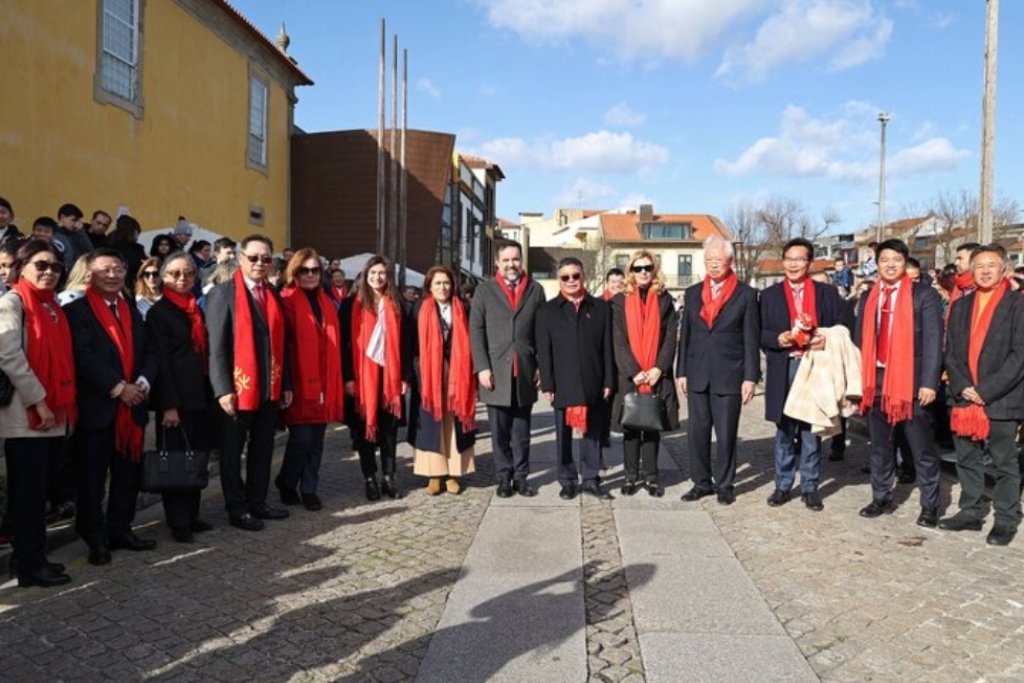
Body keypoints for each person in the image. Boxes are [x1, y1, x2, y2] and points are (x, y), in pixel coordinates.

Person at [65, 248, 158, 564]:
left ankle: (121, 529)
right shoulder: (78, 311)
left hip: (132, 409)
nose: (113, 274)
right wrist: (119, 389)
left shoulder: (131, 309)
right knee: (92, 479)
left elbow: (150, 351)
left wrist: (141, 384)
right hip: (99, 409)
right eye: (105, 269)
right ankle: (94, 537)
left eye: (118, 269)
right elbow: (83, 356)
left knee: (127, 476)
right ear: (89, 274)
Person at [0, 240, 76, 587]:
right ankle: (29, 564)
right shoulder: (12, 302)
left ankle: (32, 556)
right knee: (28, 494)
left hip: (53, 415)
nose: (49, 272)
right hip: (26, 416)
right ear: (22, 267)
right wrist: (40, 400)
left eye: (56, 267)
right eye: (40, 265)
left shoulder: (52, 307)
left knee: (41, 492)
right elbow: (10, 356)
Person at [854, 239, 943, 527]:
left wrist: (929, 382)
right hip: (876, 381)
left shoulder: (923, 295)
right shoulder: (869, 297)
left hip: (912, 382)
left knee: (922, 449)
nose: (890, 264)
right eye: (884, 260)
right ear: (877, 265)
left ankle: (930, 504)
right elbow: (860, 340)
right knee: (880, 446)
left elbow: (933, 342)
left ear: (905, 262)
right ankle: (881, 496)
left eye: (896, 259)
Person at [207, 234, 292, 531]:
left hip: (269, 388)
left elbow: (282, 345)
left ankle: (258, 501)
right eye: (254, 257)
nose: (259, 263)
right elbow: (215, 347)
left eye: (266, 259)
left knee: (263, 449)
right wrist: (222, 390)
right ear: (241, 259)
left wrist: (286, 385)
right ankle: (236, 507)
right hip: (237, 390)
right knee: (232, 453)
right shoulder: (223, 294)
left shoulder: (273, 295)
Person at [941, 244, 1024, 545]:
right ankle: (970, 511)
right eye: (979, 265)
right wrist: (965, 386)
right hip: (964, 394)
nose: (986, 271)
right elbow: (951, 352)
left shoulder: (1017, 304)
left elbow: (1020, 356)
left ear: (1004, 269)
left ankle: (1005, 517)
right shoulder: (961, 305)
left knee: (1004, 462)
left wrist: (985, 391)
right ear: (971, 270)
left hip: (1002, 396)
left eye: (992, 265)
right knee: (967, 459)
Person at [760, 238, 843, 511]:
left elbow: (843, 328)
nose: (794, 264)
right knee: (784, 429)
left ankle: (810, 487)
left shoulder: (825, 294)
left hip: (815, 365)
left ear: (809, 262)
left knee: (811, 429)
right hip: (784, 365)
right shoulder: (770, 295)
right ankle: (783, 485)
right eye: (789, 259)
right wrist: (778, 338)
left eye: (800, 259)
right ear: (783, 262)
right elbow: (758, 333)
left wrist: (826, 339)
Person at [677, 237, 760, 505]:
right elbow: (685, 337)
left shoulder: (745, 295)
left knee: (725, 434)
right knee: (697, 433)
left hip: (729, 374)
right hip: (698, 373)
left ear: (730, 262)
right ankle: (701, 482)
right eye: (709, 261)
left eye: (719, 261)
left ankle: (725, 484)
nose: (714, 266)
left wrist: (750, 377)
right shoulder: (692, 293)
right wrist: (681, 372)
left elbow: (751, 338)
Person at [145, 252, 214, 543]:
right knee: (174, 459)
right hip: (175, 399)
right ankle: (178, 521)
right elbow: (160, 361)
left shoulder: (195, 309)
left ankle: (193, 514)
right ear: (164, 278)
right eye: (175, 274)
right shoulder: (159, 313)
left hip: (200, 395)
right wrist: (168, 406)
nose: (182, 279)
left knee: (195, 457)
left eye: (187, 273)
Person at [470, 239, 546, 497]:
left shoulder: (535, 290)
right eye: (506, 260)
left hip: (524, 369)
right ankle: (504, 477)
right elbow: (476, 331)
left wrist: (541, 366)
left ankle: (522, 477)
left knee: (522, 432)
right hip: (495, 371)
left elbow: (541, 332)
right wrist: (481, 367)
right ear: (497, 263)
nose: (512, 264)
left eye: (515, 259)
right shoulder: (484, 291)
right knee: (500, 432)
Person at [538, 257, 614, 500]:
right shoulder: (548, 310)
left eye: (575, 276)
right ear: (559, 280)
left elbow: (607, 348)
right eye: (565, 277)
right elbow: (544, 351)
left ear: (583, 277)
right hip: (562, 383)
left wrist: (609, 381)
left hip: (593, 380)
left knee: (592, 433)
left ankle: (591, 478)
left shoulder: (600, 308)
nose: (571, 281)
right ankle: (567, 480)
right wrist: (547, 384)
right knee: (563, 436)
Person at [275, 249, 344, 511]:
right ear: (295, 271)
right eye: (305, 270)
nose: (311, 275)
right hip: (299, 381)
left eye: (315, 270)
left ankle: (309, 488)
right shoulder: (286, 300)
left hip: (325, 379)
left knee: (317, 440)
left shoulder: (327, 302)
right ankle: (287, 480)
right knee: (301, 438)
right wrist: (286, 384)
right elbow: (282, 346)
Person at [611, 251, 680, 497]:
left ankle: (651, 477)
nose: (643, 272)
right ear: (631, 271)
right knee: (631, 427)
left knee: (651, 427)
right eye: (638, 268)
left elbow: (670, 338)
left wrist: (658, 368)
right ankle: (630, 477)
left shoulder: (664, 300)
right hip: (630, 376)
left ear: (654, 271)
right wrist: (634, 372)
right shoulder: (619, 302)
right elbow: (617, 340)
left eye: (647, 268)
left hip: (655, 374)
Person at [341, 255, 410, 500]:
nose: (377, 277)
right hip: (362, 378)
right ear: (365, 275)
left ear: (388, 276)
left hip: (390, 378)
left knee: (389, 433)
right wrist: (348, 377)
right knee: (364, 432)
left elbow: (406, 344)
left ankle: (389, 478)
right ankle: (370, 478)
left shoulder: (398, 302)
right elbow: (344, 345)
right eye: (373, 273)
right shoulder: (351, 304)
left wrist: (404, 376)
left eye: (381, 273)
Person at [409, 266, 477, 495]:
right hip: (429, 375)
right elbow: (409, 343)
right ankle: (434, 474)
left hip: (458, 374)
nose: (442, 287)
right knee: (432, 422)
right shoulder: (419, 308)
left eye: (446, 283)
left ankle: (452, 473)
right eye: (437, 283)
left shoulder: (463, 308)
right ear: (429, 286)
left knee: (453, 421)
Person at [108, 214, 146, 285]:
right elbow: (135, 264)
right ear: (134, 231)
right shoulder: (132, 248)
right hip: (129, 282)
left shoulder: (110, 243)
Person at [54, 203, 93, 270]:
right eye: (73, 220)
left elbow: (90, 253)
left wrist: (81, 232)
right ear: (62, 217)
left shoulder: (76, 235)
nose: (76, 224)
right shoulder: (53, 234)